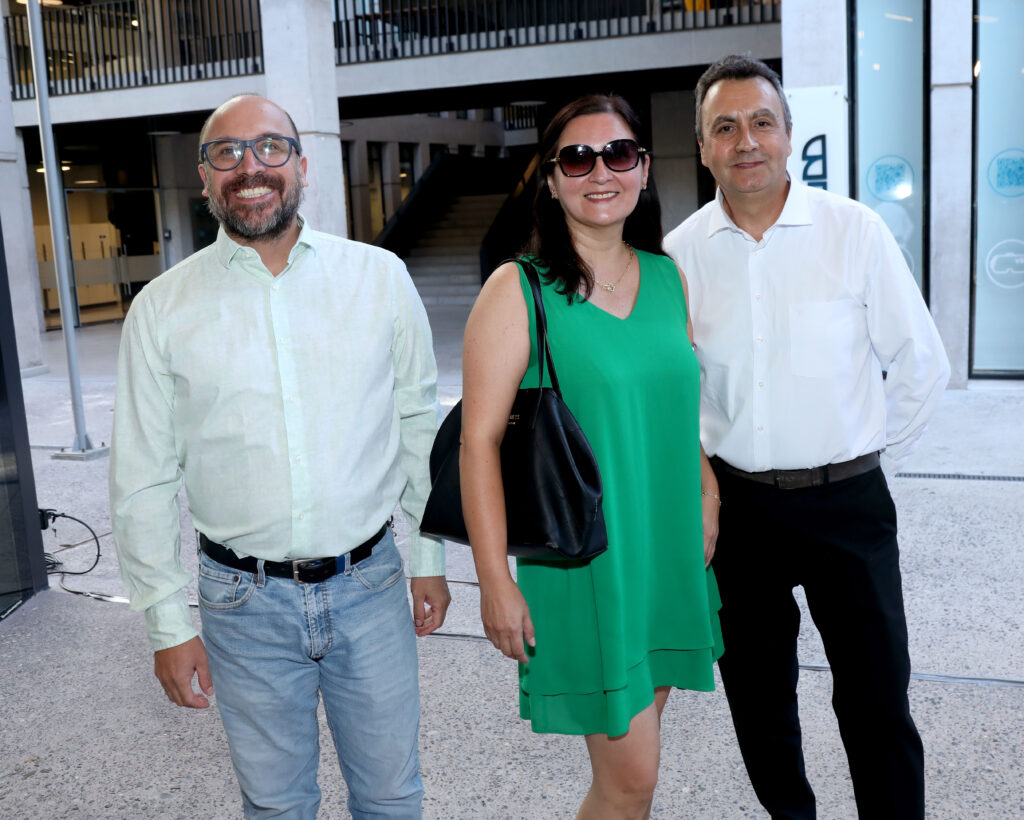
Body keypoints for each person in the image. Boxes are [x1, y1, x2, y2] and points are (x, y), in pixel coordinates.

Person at [109, 93, 451, 819]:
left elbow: (417, 426)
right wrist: (168, 624)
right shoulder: (162, 309)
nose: (250, 167)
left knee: (392, 798)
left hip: (370, 587)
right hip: (241, 604)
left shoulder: (379, 278)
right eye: (226, 152)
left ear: (302, 163)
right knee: (275, 807)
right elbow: (142, 477)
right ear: (204, 176)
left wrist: (429, 556)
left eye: (270, 147)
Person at [664, 55, 950, 819]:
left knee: (877, 699)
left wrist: (870, 459)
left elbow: (921, 365)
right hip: (740, 513)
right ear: (703, 147)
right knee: (760, 703)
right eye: (726, 127)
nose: (746, 141)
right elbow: (677, 388)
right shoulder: (680, 255)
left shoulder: (852, 230)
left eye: (762, 122)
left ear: (789, 135)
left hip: (848, 506)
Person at [460, 94, 723, 819]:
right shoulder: (518, 288)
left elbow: (673, 409)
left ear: (644, 168)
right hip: (587, 562)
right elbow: (479, 442)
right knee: (631, 779)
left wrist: (707, 491)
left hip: (667, 551)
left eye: (619, 154)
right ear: (549, 180)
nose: (600, 172)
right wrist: (493, 581)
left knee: (630, 775)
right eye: (576, 158)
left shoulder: (667, 277)